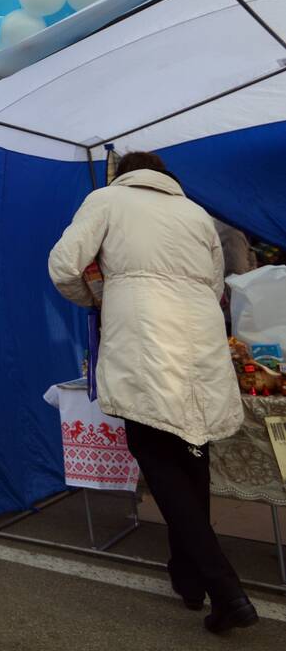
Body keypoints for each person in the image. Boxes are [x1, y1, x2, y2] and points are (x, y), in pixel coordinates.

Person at [48, 151, 258, 634]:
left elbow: (63, 266)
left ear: (125, 175)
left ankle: (226, 588)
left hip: (144, 337)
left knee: (156, 456)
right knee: (192, 453)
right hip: (199, 337)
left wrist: (100, 298)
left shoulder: (106, 200)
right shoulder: (196, 214)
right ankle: (188, 579)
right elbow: (211, 284)